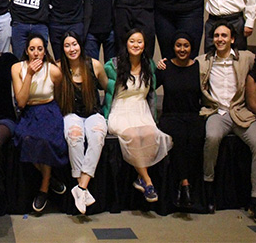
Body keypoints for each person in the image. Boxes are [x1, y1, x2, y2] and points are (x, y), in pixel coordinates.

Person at [103, 29, 172, 203]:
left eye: (139, 42)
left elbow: (152, 92)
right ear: (126, 43)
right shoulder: (113, 65)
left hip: (141, 109)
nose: (135, 45)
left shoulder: (149, 64)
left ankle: (141, 177)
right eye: (132, 41)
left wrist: (163, 66)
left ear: (145, 45)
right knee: (132, 135)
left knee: (151, 134)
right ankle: (147, 181)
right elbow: (102, 84)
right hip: (120, 109)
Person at [197, 20, 256, 215]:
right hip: (216, 112)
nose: (220, 39)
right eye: (216, 36)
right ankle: (208, 188)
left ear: (232, 38)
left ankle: (254, 198)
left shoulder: (247, 58)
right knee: (212, 138)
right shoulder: (203, 60)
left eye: (224, 35)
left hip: (240, 112)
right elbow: (182, 64)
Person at [11, 33, 68, 214]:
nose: (36, 53)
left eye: (40, 49)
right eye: (32, 49)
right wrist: (29, 74)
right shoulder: (17, 68)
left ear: (45, 52)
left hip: (49, 110)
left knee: (45, 140)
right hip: (28, 111)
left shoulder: (53, 70)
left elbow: (59, 95)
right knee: (25, 139)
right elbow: (20, 102)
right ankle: (50, 178)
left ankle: (43, 189)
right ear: (26, 51)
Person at [55, 31, 108, 215]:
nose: (72, 49)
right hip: (71, 114)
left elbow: (107, 87)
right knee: (75, 137)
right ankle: (82, 188)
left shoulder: (94, 65)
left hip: (94, 113)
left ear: (81, 45)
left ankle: (81, 187)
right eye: (67, 45)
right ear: (62, 49)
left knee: (97, 136)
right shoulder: (58, 68)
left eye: (75, 44)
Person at [156, 32, 204, 209]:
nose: (182, 49)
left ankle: (188, 187)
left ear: (191, 48)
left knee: (196, 139)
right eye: (178, 45)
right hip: (171, 116)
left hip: (193, 115)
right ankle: (184, 184)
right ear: (173, 47)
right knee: (180, 138)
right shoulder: (165, 67)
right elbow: (149, 87)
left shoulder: (199, 67)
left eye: (186, 46)